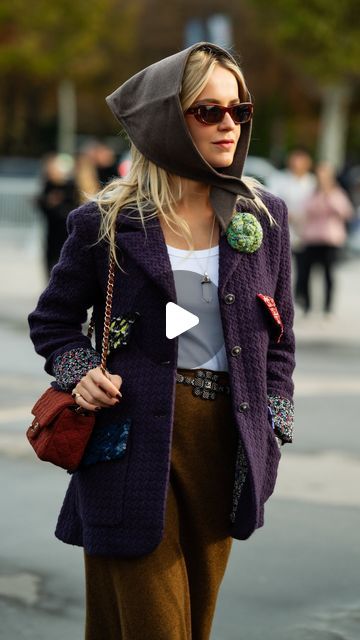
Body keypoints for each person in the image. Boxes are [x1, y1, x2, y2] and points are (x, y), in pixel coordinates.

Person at [29, 42, 295, 640]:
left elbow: (281, 341)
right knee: (156, 626)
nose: (229, 124)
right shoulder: (105, 221)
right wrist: (80, 374)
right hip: (130, 440)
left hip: (227, 446)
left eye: (239, 110)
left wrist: (273, 428)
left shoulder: (265, 217)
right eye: (209, 111)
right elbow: (52, 321)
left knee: (192, 624)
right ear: (166, 121)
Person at [300, 161, 354, 316]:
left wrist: (329, 196)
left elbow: (346, 212)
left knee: (328, 275)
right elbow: (305, 209)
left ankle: (327, 307)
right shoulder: (312, 193)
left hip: (330, 240)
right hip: (311, 238)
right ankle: (308, 305)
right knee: (306, 274)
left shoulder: (338, 193)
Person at [269, 147, 316, 309]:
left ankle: (302, 298)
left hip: (307, 231)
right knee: (284, 267)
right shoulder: (279, 179)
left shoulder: (312, 182)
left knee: (305, 269)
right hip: (284, 229)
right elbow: (272, 200)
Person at [36, 153, 79, 276]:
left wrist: (56, 205)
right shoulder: (48, 185)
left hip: (65, 230)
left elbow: (72, 207)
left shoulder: (70, 186)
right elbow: (44, 205)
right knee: (50, 258)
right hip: (52, 231)